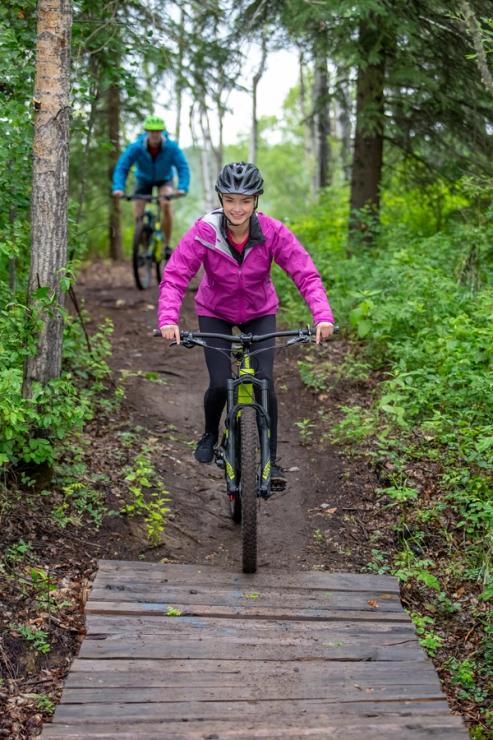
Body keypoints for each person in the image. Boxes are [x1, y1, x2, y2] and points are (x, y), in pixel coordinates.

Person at [158, 161, 334, 487]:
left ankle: (272, 462)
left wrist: (322, 315)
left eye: (245, 200)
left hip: (259, 311)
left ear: (256, 201)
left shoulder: (272, 232)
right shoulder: (204, 232)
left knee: (264, 379)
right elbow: (175, 276)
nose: (237, 208)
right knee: (220, 381)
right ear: (221, 200)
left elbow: (305, 273)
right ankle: (211, 433)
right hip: (215, 311)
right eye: (230, 200)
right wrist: (168, 318)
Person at [112, 115, 190, 259]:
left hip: (164, 180)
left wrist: (182, 187)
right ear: (146, 132)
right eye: (151, 131)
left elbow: (182, 167)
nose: (155, 134)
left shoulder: (171, 147)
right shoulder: (136, 147)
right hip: (143, 180)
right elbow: (123, 166)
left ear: (162, 132)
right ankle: (143, 246)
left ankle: (166, 245)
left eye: (158, 131)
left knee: (166, 204)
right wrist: (118, 187)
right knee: (138, 212)